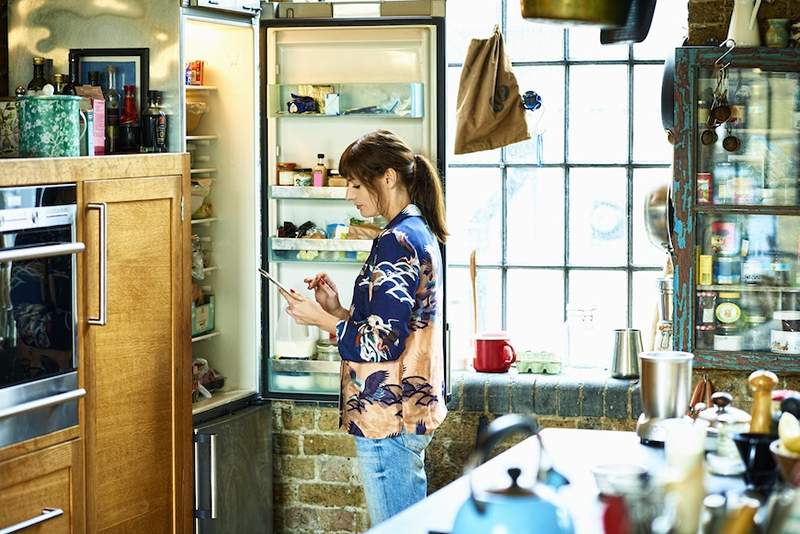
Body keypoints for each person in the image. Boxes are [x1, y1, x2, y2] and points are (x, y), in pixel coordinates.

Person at [281, 129, 448, 525]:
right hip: (405, 407)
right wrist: (337, 310)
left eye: (355, 184)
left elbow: (381, 344)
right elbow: (393, 326)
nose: (349, 195)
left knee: (395, 529)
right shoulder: (415, 231)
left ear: (388, 177)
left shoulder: (397, 240)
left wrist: (317, 318)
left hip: (388, 416)